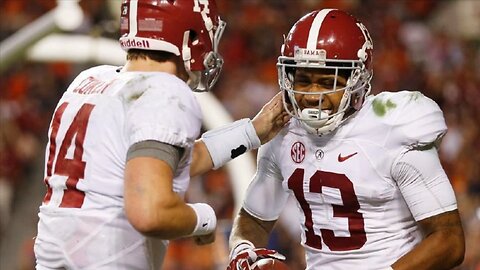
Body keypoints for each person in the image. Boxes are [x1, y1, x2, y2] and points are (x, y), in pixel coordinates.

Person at [33, 0, 290, 269]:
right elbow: (149, 212)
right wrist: (204, 218)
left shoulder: (90, 80)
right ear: (189, 36)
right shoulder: (165, 90)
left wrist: (251, 132)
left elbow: (165, 162)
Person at [228, 8, 465, 270]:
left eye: (327, 81)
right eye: (304, 80)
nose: (311, 95)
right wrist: (244, 250)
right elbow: (255, 219)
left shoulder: (390, 128)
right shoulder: (284, 133)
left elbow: (449, 242)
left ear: (358, 81)